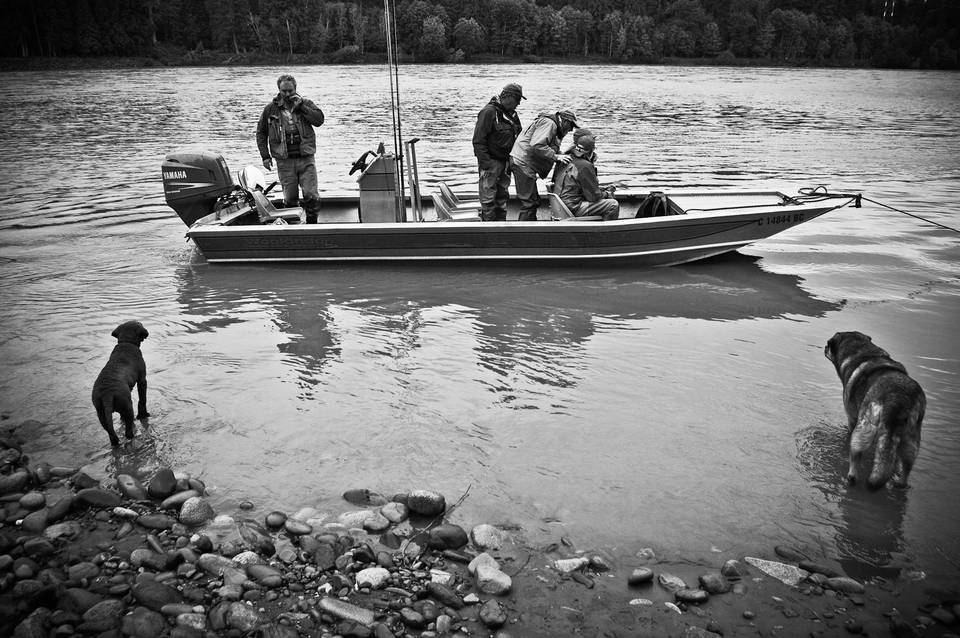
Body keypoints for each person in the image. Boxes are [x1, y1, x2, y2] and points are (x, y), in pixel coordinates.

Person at [256, 74, 325, 223]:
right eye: (284, 91)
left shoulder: (306, 103)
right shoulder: (270, 109)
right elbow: (261, 133)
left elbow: (319, 120)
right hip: (284, 161)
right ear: (279, 90)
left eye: (290, 91)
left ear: (296, 88)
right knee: (290, 199)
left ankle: (313, 226)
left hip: (306, 158)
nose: (287, 94)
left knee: (311, 195)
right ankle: (294, 228)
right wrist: (265, 156)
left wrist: (302, 108)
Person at [509, 108, 579, 221]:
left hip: (524, 163)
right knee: (530, 203)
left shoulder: (553, 126)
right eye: (571, 126)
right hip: (523, 163)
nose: (570, 130)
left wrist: (562, 154)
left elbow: (546, 147)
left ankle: (529, 230)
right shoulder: (550, 123)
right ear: (565, 121)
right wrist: (556, 157)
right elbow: (537, 145)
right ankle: (524, 233)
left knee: (533, 200)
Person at [472, 83, 525, 222]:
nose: (518, 104)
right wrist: (487, 164)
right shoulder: (488, 112)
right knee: (488, 200)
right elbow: (478, 140)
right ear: (508, 97)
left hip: (505, 163)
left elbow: (520, 137)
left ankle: (501, 226)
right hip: (491, 163)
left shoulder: (512, 115)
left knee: (502, 198)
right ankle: (488, 228)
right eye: (517, 100)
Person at [551, 134, 620, 221]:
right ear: (591, 150)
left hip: (560, 205)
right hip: (572, 207)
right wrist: (607, 194)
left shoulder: (564, 158)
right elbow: (593, 197)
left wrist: (601, 190)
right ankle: (606, 233)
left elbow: (572, 185)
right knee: (612, 205)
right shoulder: (585, 165)